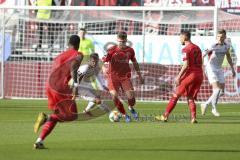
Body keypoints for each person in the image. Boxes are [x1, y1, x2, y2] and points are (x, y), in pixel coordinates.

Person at [33, 35, 83, 149]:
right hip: (60, 88)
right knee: (72, 116)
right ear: (78, 44)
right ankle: (46, 118)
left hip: (49, 86)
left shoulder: (59, 56)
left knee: (57, 115)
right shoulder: (78, 54)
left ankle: (39, 141)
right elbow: (74, 65)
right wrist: (75, 84)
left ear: (68, 44)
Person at [155, 30, 203, 123]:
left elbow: (186, 65)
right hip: (199, 75)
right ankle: (193, 118)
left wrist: (178, 77)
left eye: (180, 37)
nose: (179, 39)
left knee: (175, 95)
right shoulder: (197, 47)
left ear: (184, 37)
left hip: (191, 74)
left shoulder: (186, 49)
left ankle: (165, 116)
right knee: (190, 97)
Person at [102, 31, 144, 122]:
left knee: (131, 98)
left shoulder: (130, 50)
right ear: (117, 40)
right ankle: (125, 115)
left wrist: (140, 75)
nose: (122, 44)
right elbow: (102, 61)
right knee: (114, 97)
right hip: (113, 77)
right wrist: (103, 68)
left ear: (126, 40)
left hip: (125, 77)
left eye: (124, 42)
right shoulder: (111, 50)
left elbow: (135, 62)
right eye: (120, 42)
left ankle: (130, 107)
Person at [201, 29, 236, 117]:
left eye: (222, 37)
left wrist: (232, 69)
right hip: (211, 68)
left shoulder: (227, 46)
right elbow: (203, 54)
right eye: (218, 37)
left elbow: (228, 57)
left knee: (222, 92)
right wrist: (201, 66)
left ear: (225, 37)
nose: (220, 38)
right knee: (216, 90)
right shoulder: (213, 45)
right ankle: (213, 108)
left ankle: (205, 104)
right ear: (217, 37)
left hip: (219, 69)